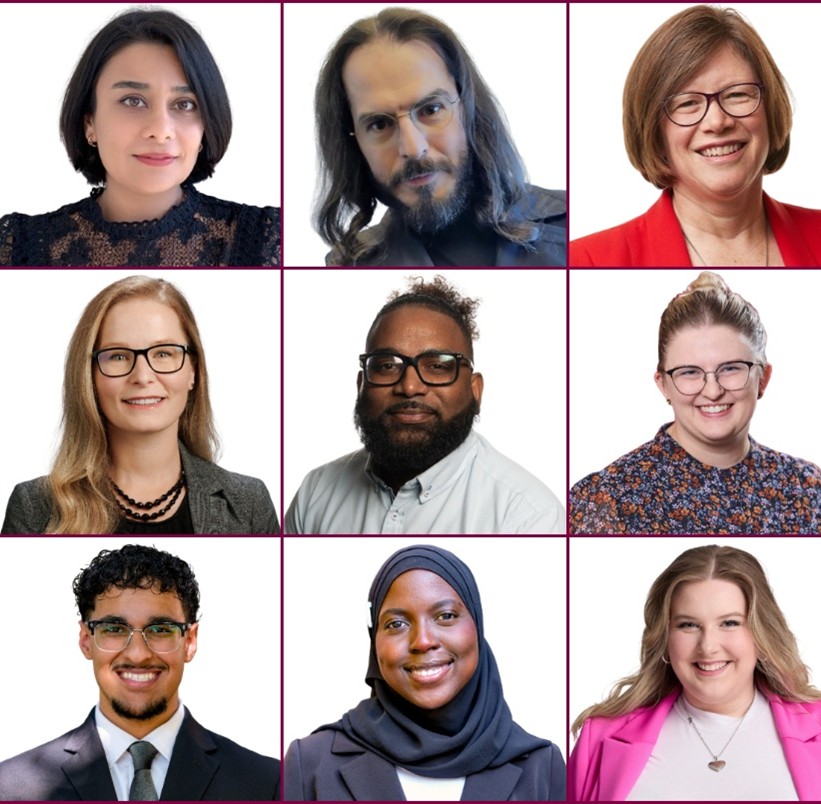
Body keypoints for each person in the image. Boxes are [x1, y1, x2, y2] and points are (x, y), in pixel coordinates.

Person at [570, 272, 821, 534]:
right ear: (663, 384)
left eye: (731, 368)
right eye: (689, 372)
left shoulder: (812, 491)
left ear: (763, 377)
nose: (713, 391)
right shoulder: (607, 497)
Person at [570, 7, 821, 267]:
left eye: (738, 94)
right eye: (687, 103)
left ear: (772, 108)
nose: (717, 122)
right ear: (654, 133)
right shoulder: (587, 260)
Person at [0, 9, 279, 267]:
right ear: (89, 123)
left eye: (184, 104)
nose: (160, 129)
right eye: (133, 101)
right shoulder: (18, 246)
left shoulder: (267, 239)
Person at [570, 544, 821, 800]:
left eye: (729, 623)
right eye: (688, 625)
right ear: (664, 637)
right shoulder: (600, 735)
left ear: (760, 632)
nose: (708, 647)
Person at [0, 544, 278, 800]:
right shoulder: (10, 786)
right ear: (86, 640)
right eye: (114, 630)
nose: (138, 654)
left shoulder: (267, 783)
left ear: (190, 641)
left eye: (159, 630)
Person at [286, 275, 562, 534]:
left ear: (475, 390)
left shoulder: (527, 516)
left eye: (437, 367)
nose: (409, 387)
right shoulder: (315, 493)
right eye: (387, 366)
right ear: (361, 384)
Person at [2, 276, 277, 534]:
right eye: (119, 357)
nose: (143, 377)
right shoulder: (34, 507)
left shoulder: (248, 502)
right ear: (89, 375)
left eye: (164, 353)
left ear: (193, 371)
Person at [285, 545, 563, 800]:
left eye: (445, 616)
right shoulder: (310, 762)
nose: (422, 641)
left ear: (477, 627)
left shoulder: (542, 766)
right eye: (396, 623)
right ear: (374, 640)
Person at [313, 8, 566, 267]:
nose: (413, 148)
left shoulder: (571, 225)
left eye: (431, 110)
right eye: (379, 125)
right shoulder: (348, 267)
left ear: (467, 106)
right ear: (353, 142)